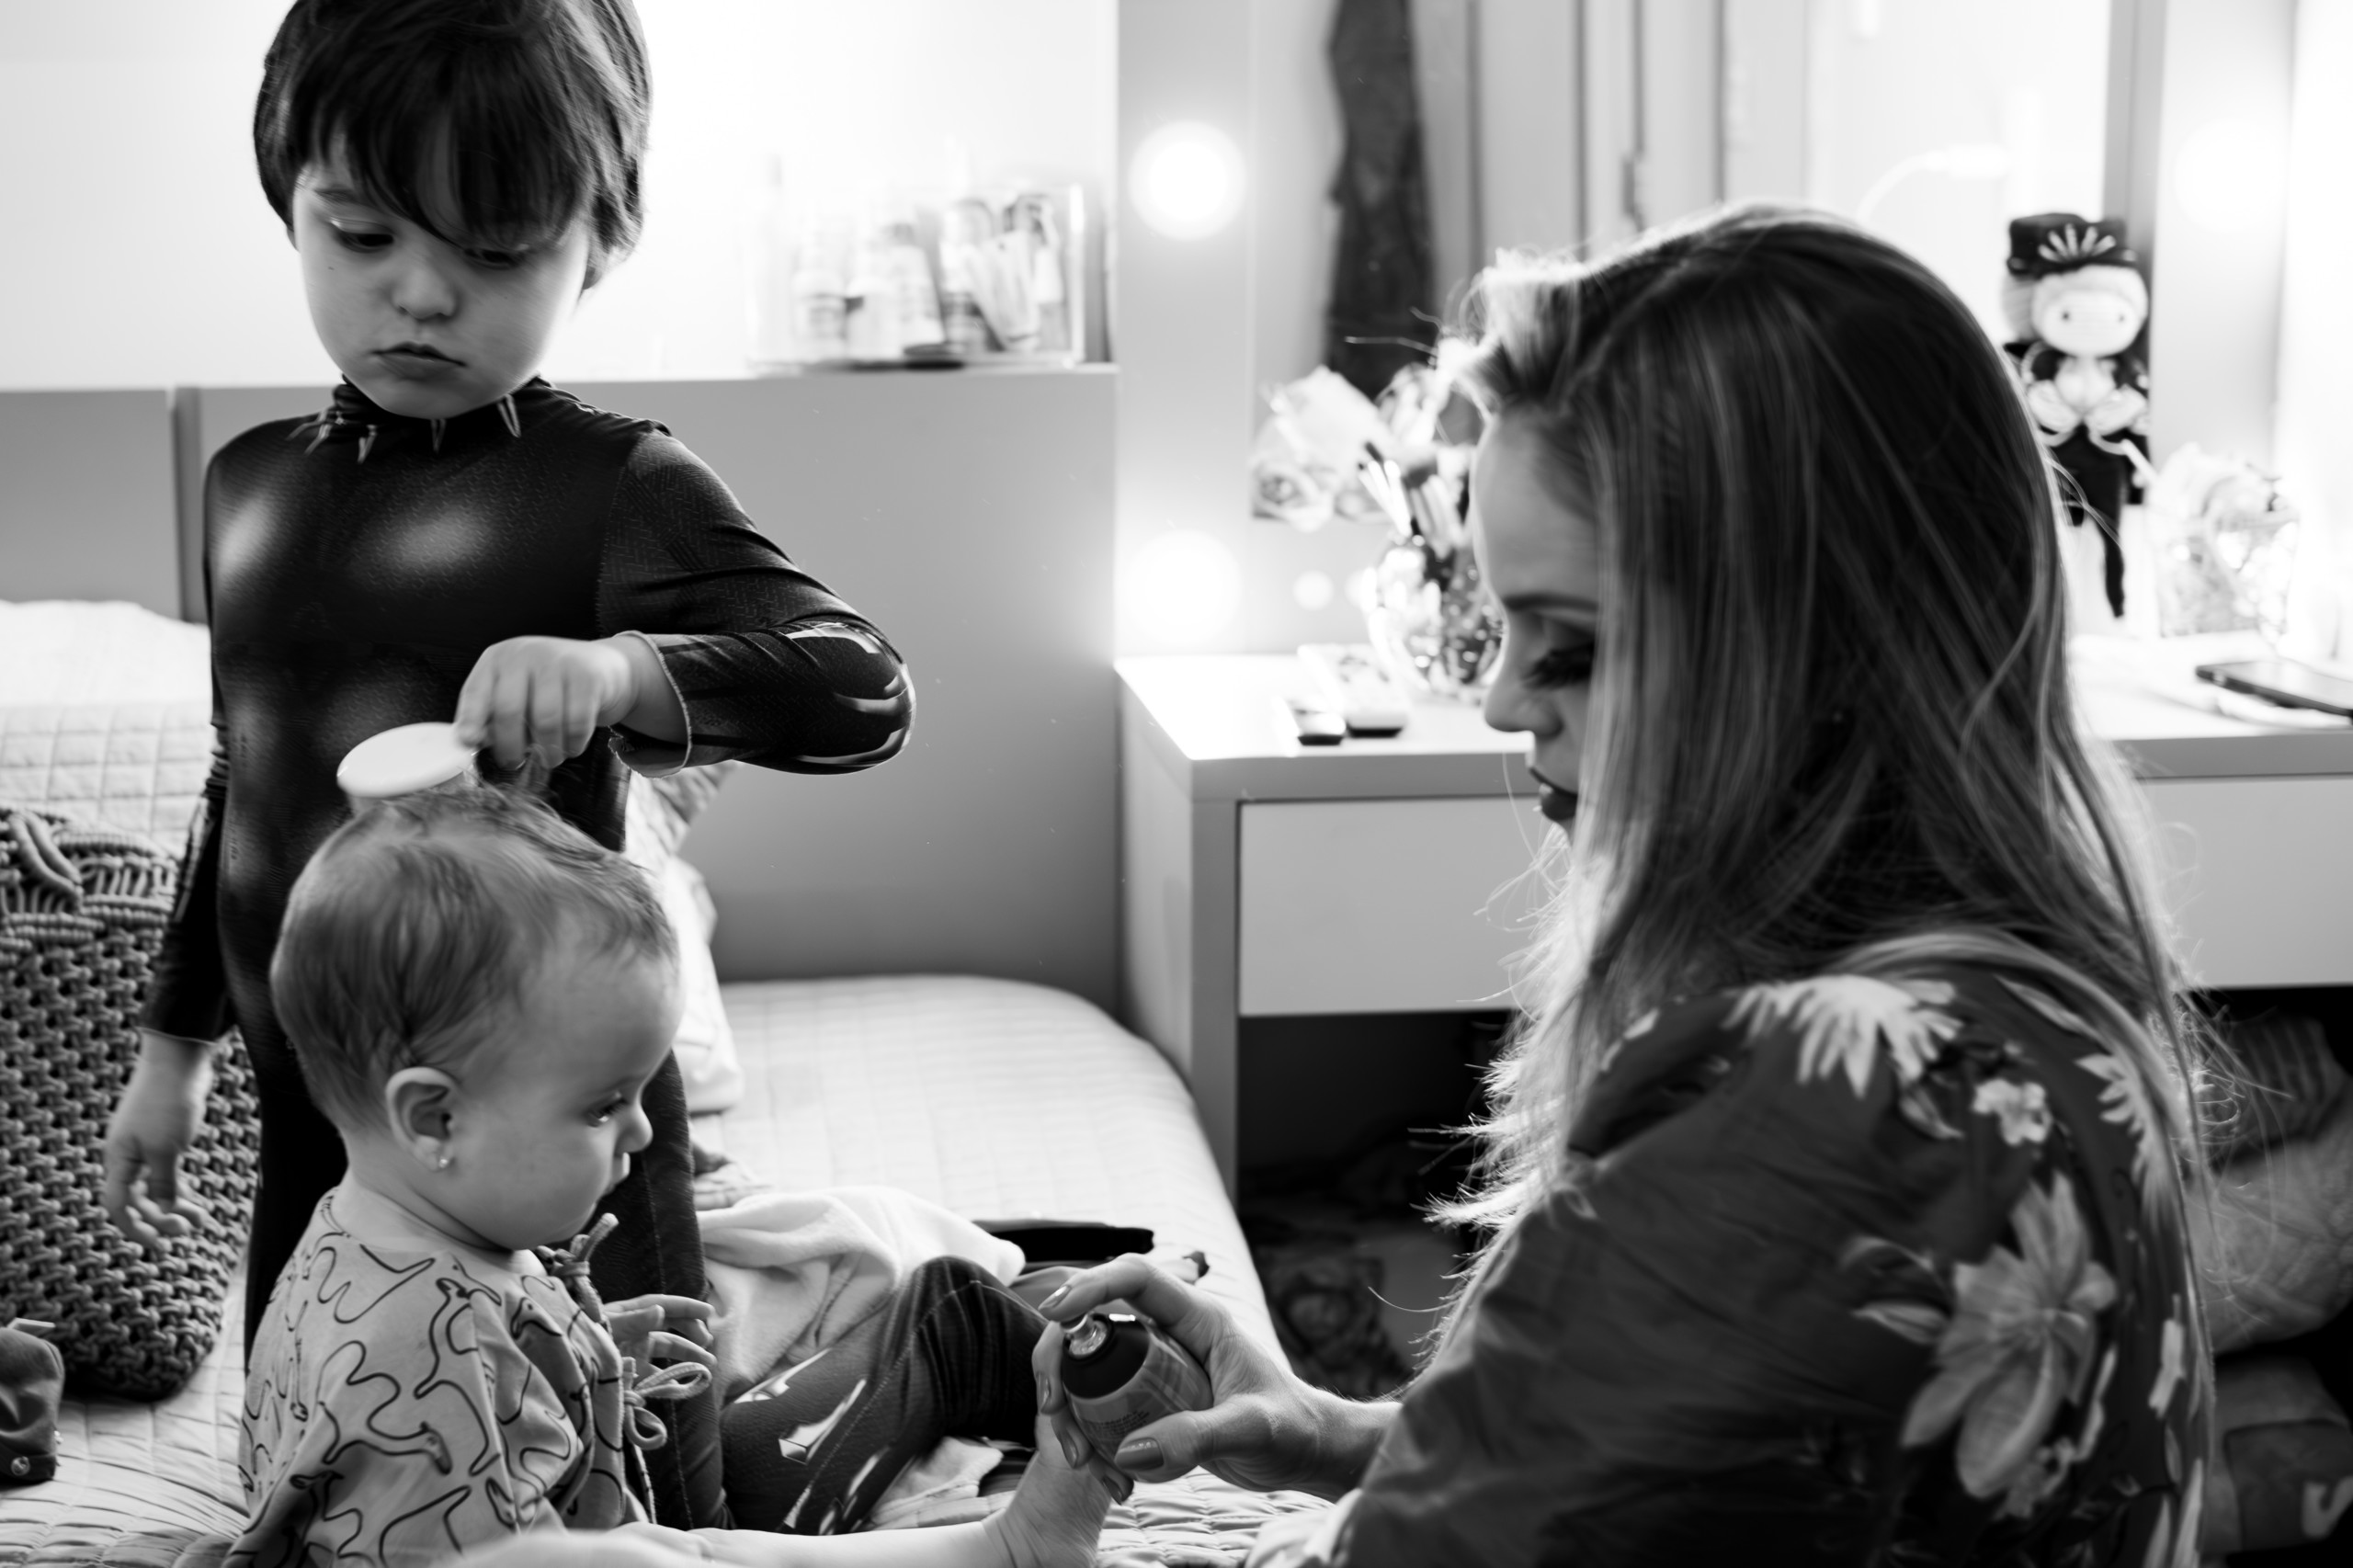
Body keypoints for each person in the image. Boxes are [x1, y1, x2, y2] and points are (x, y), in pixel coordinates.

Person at [1030, 207, 2218, 1565]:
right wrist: (1345, 1437)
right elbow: (1747, 1484)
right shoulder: (2045, 1009)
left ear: (1817, 652)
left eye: (1575, 646)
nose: (1499, 701)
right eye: (1507, 627)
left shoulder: (1834, 1098)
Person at [100, 0, 912, 1525]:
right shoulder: (247, 487)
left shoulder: (611, 486)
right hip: (322, 1133)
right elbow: (243, 780)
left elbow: (860, 686)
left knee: (641, 1508)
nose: (419, 295)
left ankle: (897, 1372)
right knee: (323, 1502)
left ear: (600, 240)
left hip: (558, 1134)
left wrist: (626, 672)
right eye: (361, 233)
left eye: (496, 252)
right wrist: (172, 1051)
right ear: (288, 194)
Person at [238, 788, 1112, 1568]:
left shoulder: (358, 1236)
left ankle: (1016, 1538)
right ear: (435, 1120)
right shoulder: (435, 1352)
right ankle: (1014, 1541)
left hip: (587, 1524)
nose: (644, 1132)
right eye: (601, 1106)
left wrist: (577, 1365)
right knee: (698, 1551)